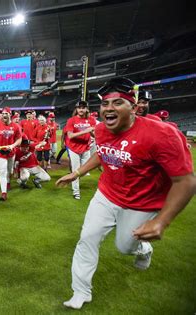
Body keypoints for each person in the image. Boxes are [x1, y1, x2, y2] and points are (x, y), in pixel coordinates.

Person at [56, 77, 195, 310]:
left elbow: (185, 181)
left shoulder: (161, 134)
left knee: (125, 247)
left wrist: (162, 220)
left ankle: (143, 249)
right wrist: (77, 172)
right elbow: (102, 153)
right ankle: (81, 291)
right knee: (87, 238)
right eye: (105, 104)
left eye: (118, 103)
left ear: (133, 107)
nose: (109, 109)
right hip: (107, 194)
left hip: (142, 202)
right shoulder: (101, 129)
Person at [64, 101, 96, 200]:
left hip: (86, 148)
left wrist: (94, 136)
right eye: (79, 107)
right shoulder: (71, 120)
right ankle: (76, 192)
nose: (81, 109)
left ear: (87, 109)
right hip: (74, 148)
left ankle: (72, 179)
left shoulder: (91, 120)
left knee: (84, 171)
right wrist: (86, 130)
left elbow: (92, 133)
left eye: (83, 107)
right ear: (76, 109)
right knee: (76, 170)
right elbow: (70, 135)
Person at [0, 107, 22, 201]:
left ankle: (8, 182)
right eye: (3, 113)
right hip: (0, 152)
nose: (4, 115)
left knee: (10, 171)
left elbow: (19, 139)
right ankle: (3, 193)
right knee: (3, 171)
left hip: (11, 152)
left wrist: (13, 145)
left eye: (6, 114)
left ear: (10, 115)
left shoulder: (16, 126)